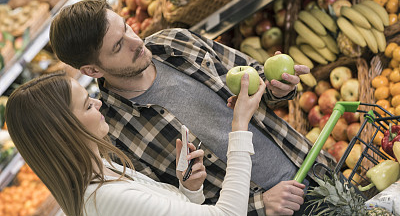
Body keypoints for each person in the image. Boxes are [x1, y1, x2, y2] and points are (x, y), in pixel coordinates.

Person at [49, 0, 336, 215]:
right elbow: (179, 205)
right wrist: (261, 204)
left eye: (126, 27)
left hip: (311, 167)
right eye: (117, 47)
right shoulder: (113, 134)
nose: (136, 41)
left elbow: (253, 76)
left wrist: (277, 87)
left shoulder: (176, 42)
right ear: (92, 70)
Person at [5, 71, 265, 216]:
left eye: (91, 97)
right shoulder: (105, 197)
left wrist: (188, 191)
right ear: (65, 133)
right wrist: (240, 125)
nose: (98, 103)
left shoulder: (103, 170)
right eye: (87, 105)